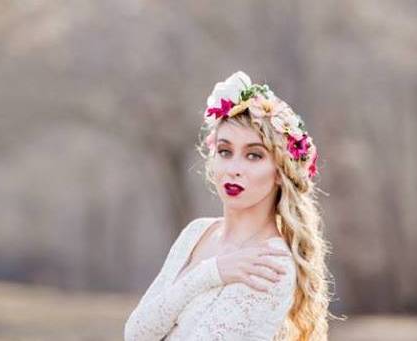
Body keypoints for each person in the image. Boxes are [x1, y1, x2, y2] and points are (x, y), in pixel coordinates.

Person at [124, 71, 336, 340]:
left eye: (254, 155)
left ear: (281, 172)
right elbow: (136, 333)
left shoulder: (270, 263)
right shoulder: (196, 233)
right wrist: (211, 273)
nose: (234, 169)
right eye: (225, 151)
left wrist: (169, 323)